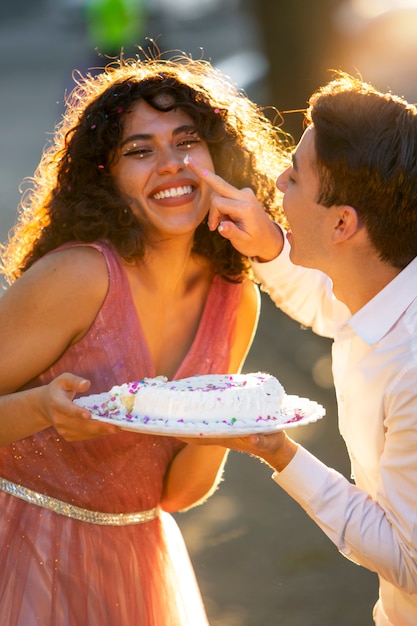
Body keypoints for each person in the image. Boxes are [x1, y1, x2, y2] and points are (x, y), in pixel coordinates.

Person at [0, 51, 287, 625]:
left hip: (134, 566)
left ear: (218, 157)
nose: (171, 165)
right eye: (139, 151)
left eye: (187, 142)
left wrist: (225, 425)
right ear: (107, 178)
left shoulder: (236, 299)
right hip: (19, 543)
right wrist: (39, 410)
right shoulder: (79, 276)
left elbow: (174, 495)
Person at [183, 72, 417, 625]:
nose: (278, 179)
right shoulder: (385, 290)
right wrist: (269, 244)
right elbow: (329, 308)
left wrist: (280, 452)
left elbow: (408, 559)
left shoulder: (410, 366)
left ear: (342, 224)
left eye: (296, 176)